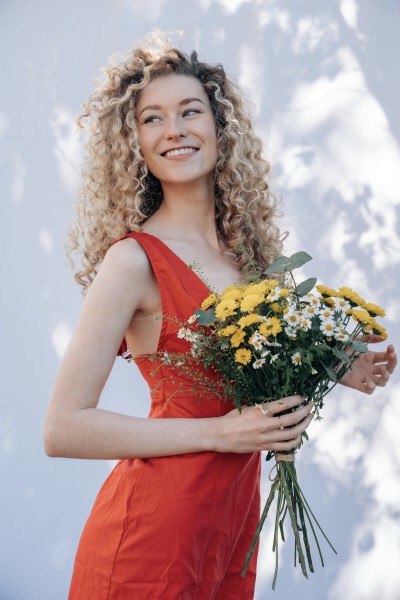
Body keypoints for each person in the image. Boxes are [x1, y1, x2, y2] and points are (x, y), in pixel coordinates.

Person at [44, 34, 397, 600]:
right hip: (150, 539)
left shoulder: (250, 259)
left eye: (190, 111)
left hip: (231, 532)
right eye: (152, 118)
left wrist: (335, 365)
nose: (174, 129)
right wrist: (222, 432)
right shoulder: (132, 261)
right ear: (134, 144)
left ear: (220, 126)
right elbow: (63, 428)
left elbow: (260, 363)